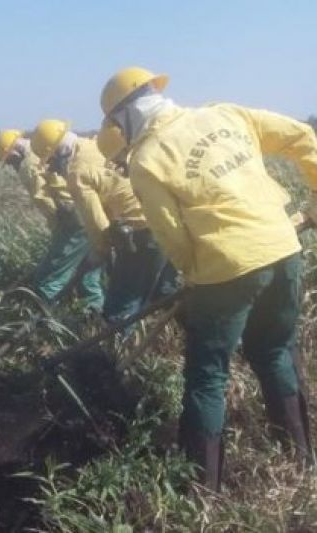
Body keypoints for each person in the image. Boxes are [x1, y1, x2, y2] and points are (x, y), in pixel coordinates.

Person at [99, 66, 317, 490]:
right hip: (283, 248)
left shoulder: (147, 158)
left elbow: (172, 237)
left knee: (207, 375)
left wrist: (194, 276)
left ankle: (203, 491)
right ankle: (301, 458)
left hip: (225, 268)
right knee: (273, 351)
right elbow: (303, 138)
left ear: (123, 117)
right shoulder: (226, 114)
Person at [29, 119, 178, 325]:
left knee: (119, 306)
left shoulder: (76, 173)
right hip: (165, 219)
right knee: (157, 291)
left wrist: (98, 252)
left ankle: (118, 351)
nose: (55, 169)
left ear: (59, 152)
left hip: (141, 232)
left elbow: (97, 224)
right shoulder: (95, 145)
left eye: (52, 162)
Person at [0, 130, 104, 311]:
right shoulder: (43, 151)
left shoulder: (28, 165)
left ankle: (47, 323)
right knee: (87, 275)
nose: (12, 165)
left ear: (13, 153)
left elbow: (44, 199)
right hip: (90, 214)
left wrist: (59, 232)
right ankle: (94, 317)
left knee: (48, 280)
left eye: (9, 161)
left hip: (73, 222)